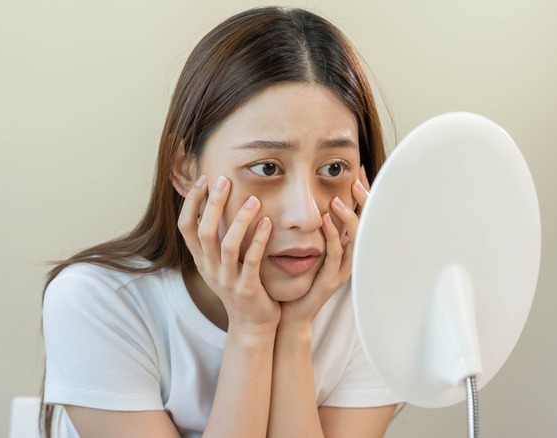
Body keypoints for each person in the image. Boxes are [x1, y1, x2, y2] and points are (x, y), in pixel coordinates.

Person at [40, 6, 402, 438]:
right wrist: (252, 329)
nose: (306, 215)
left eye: (334, 169)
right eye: (267, 168)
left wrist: (294, 332)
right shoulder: (99, 302)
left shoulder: (374, 308)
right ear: (185, 169)